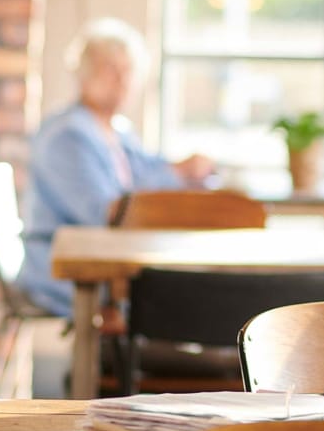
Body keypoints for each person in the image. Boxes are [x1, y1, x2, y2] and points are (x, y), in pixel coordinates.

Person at [17, 17, 214, 318]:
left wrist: (185, 170)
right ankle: (124, 362)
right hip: (63, 272)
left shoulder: (116, 129)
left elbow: (148, 171)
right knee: (178, 294)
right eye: (110, 70)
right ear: (83, 76)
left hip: (102, 264)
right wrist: (176, 173)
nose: (122, 80)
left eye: (128, 71)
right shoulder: (69, 135)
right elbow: (105, 211)